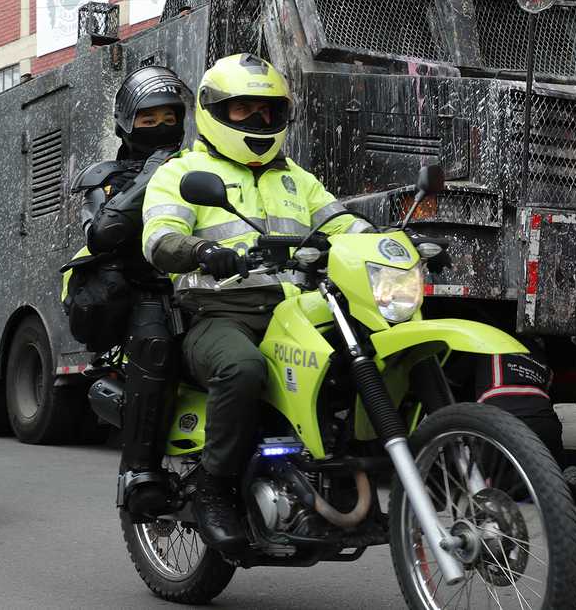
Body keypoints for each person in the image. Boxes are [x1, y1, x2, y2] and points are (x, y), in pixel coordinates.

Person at [141, 53, 374, 550]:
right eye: (243, 110)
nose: (258, 121)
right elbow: (160, 239)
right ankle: (214, 488)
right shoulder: (183, 172)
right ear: (213, 110)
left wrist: (380, 240)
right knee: (243, 369)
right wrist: (203, 251)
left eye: (268, 112)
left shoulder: (297, 178)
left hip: (296, 308)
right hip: (218, 313)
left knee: (366, 352)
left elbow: (341, 224)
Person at [66, 65, 191, 519]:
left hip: (206, 285)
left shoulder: (198, 164)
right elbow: (102, 234)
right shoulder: (103, 177)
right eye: (147, 119)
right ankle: (139, 474)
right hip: (144, 290)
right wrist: (150, 177)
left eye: (169, 117)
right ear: (125, 122)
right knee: (157, 344)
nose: (161, 128)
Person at [447, 350, 576, 509]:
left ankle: (549, 486)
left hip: (501, 419)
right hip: (546, 424)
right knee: (546, 465)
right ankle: (559, 474)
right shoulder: (537, 353)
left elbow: (451, 380)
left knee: (494, 487)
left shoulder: (480, 347)